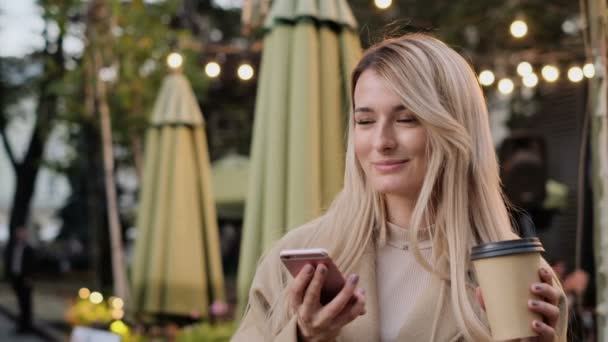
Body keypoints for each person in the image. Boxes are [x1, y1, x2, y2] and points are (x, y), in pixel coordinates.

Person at [233, 34, 568, 342]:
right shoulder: (297, 261)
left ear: (455, 129)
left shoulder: (518, 276)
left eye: (407, 119)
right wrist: (302, 336)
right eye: (364, 121)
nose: (381, 142)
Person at [3, 226, 36, 333]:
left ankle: (27, 325)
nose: (20, 235)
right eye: (19, 233)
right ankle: (21, 325)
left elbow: (33, 265)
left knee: (27, 302)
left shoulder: (29, 249)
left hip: (26, 279)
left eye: (22, 233)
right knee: (20, 302)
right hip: (16, 278)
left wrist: (30, 277)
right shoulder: (13, 248)